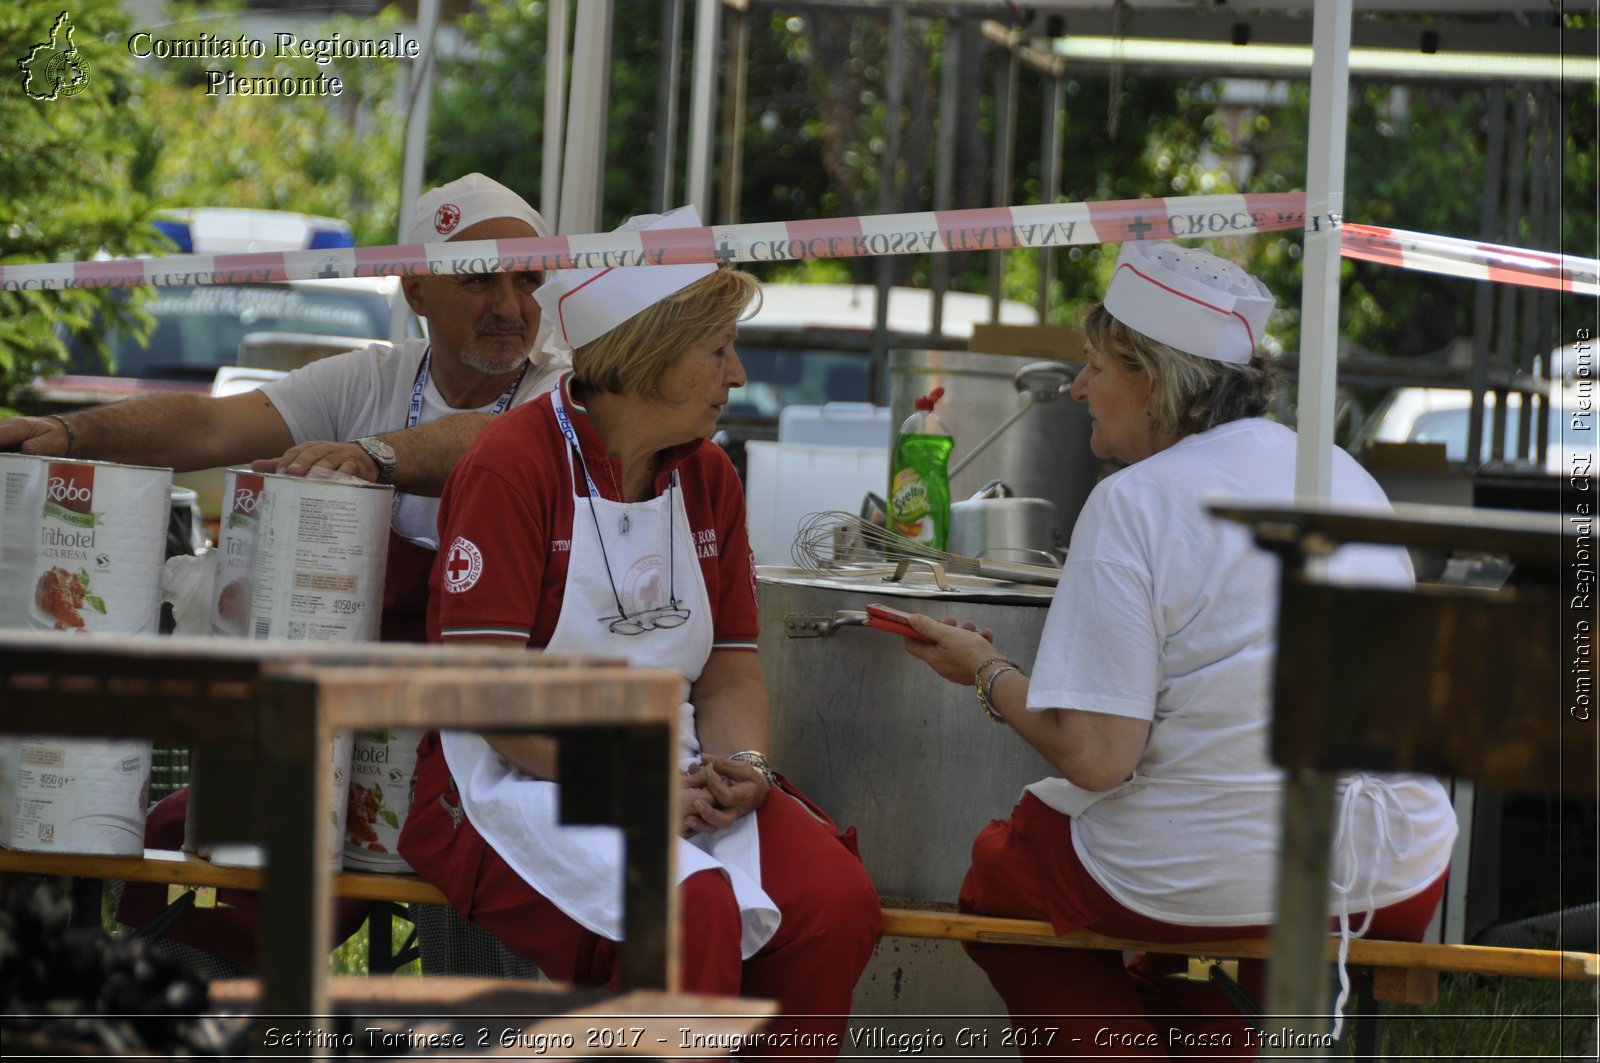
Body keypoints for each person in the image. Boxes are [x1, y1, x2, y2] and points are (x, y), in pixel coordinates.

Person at [897, 241, 1458, 1058]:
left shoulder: (1134, 501)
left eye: (1093, 366)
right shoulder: (1339, 471)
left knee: (1005, 874)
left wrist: (984, 671)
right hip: (1397, 867)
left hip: (1237, 874)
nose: (1079, 387)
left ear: (1151, 376)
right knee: (1175, 957)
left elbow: (1097, 757)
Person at [1, 172, 560, 976]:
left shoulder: (561, 396)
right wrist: (68, 430)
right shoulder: (370, 379)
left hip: (484, 740)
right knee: (196, 846)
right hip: (333, 731)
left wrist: (375, 456)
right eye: (479, 279)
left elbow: (499, 446)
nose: (510, 303)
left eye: (527, 278)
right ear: (415, 286)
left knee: (473, 922)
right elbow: (210, 424)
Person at [398, 206, 882, 1053]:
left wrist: (750, 768)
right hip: (518, 775)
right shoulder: (515, 463)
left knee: (836, 902)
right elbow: (485, 697)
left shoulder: (709, 477)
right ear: (649, 352)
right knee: (686, 906)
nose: (736, 373)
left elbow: (731, 670)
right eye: (718, 349)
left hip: (678, 773)